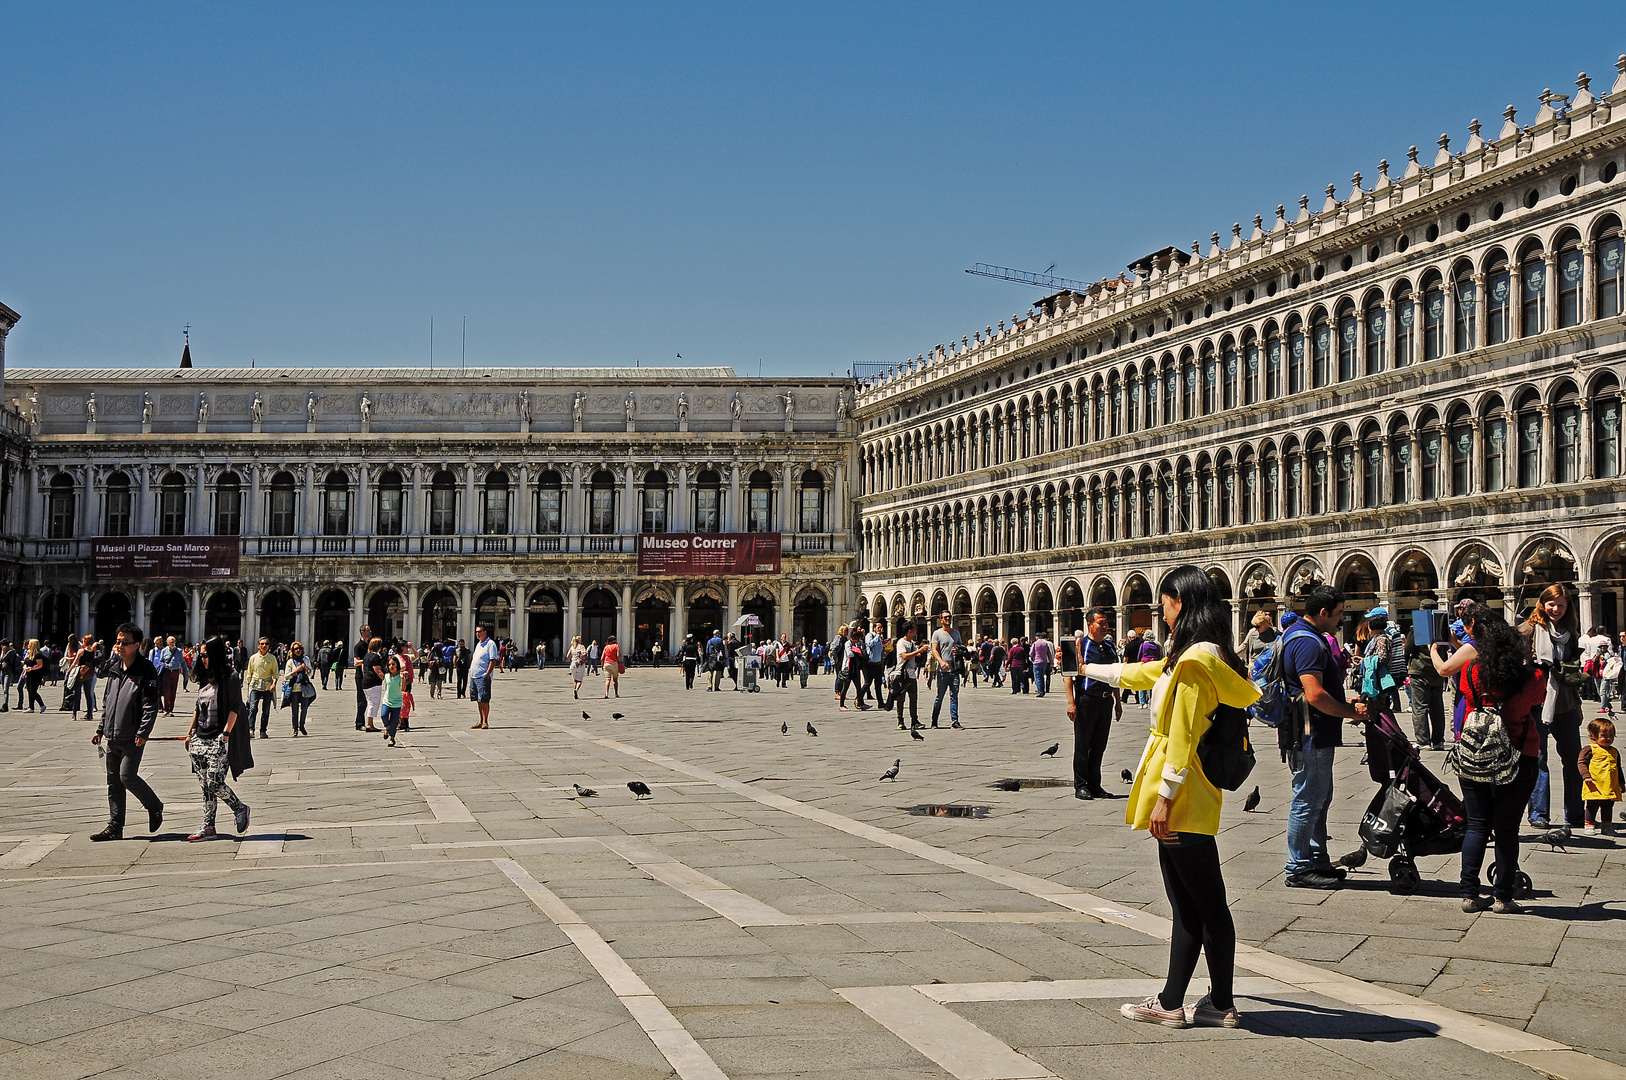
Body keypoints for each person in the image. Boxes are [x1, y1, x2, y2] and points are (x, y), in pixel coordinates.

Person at [1081, 564, 1259, 1029]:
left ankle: (1196, 1003)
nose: (1160, 611)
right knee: (1197, 904)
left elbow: (1181, 736)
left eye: (1164, 602)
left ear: (1181, 601)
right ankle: (1188, 1002)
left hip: (1181, 792)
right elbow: (1143, 674)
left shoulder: (1195, 665)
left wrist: (1164, 799)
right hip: (1192, 790)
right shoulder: (1197, 657)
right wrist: (1089, 668)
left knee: (1200, 906)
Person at [1452, 604, 1543, 913]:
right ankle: (1503, 896)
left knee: (1477, 825)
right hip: (1520, 753)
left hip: (1475, 754)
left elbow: (1466, 695)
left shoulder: (1470, 671)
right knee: (1506, 828)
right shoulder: (1530, 676)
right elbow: (1538, 698)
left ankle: (1468, 893)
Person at [1279, 585, 1368, 889]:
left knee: (1319, 798)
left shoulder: (1304, 636)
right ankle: (1298, 867)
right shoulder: (1308, 644)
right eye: (1340, 613)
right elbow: (1314, 694)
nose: (1342, 619)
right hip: (1309, 734)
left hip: (1310, 733)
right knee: (1307, 799)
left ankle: (1316, 859)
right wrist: (1350, 712)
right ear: (1323, 613)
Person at [90, 623, 165, 841]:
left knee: (127, 776)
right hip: (112, 735)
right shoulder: (114, 668)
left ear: (137, 645)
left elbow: (151, 705)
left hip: (133, 736)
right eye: (118, 641)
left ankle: (154, 805)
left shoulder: (145, 670)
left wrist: (143, 732)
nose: (120, 646)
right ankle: (115, 826)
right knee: (113, 782)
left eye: (125, 643)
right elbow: (108, 702)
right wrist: (100, 728)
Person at [1522, 583, 1584, 835]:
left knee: (1573, 758)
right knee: (1538, 759)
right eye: (1552, 604)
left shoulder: (1571, 632)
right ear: (1542, 603)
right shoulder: (1528, 630)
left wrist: (1578, 704)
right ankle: (1538, 813)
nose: (1556, 609)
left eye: (1561, 605)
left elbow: (1572, 672)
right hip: (1537, 704)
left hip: (1566, 703)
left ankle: (1576, 812)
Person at [183, 636, 250, 842]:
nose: (203, 659)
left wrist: (227, 733)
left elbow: (235, 706)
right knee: (205, 785)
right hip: (200, 737)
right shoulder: (205, 677)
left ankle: (240, 808)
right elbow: (198, 705)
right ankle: (208, 826)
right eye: (201, 655)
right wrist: (190, 731)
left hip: (220, 737)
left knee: (214, 781)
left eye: (206, 655)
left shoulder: (230, 676)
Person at [1065, 608, 1122, 800]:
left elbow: (1115, 676)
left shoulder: (1110, 647)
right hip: (1086, 700)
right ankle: (1080, 785)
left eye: (1106, 623)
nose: (1105, 626)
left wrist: (1118, 702)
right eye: (1101, 623)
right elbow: (1068, 676)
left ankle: (1095, 784)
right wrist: (1071, 703)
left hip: (1105, 700)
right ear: (1089, 624)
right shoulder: (1080, 645)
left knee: (1099, 745)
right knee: (1083, 744)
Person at [1407, 628, 1448, 751]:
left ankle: (1423, 740)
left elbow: (1408, 648)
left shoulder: (1417, 628)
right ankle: (1438, 740)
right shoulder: (1440, 625)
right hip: (1437, 670)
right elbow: (1445, 648)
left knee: (1420, 707)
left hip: (1420, 670)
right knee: (1437, 707)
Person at [1580, 716, 1621, 836]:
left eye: (1611, 736)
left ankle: (1607, 825)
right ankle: (1589, 824)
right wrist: (1586, 776)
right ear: (1593, 736)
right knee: (1592, 805)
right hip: (1594, 783)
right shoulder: (1590, 749)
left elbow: (1618, 768)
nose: (1608, 739)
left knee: (1608, 805)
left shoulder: (1614, 751)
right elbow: (1581, 763)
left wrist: (1621, 783)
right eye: (1604, 736)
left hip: (1610, 784)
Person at [929, 613, 964, 729]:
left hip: (954, 670)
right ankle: (934, 720)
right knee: (940, 696)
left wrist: (958, 650)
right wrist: (941, 661)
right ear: (941, 620)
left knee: (954, 696)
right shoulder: (937, 634)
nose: (948, 619)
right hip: (942, 671)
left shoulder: (956, 633)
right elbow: (934, 650)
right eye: (945, 617)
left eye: (949, 617)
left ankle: (955, 720)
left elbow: (961, 647)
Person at [893, 623, 927, 730]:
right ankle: (900, 720)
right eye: (914, 630)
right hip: (902, 674)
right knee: (901, 699)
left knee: (913, 699)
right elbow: (904, 656)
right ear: (909, 631)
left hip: (912, 675)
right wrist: (918, 651)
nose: (916, 632)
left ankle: (914, 720)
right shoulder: (901, 643)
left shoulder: (912, 643)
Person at [246, 637, 279, 738]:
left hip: (267, 686)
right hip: (255, 685)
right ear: (258, 645)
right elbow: (249, 674)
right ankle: (250, 729)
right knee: (253, 708)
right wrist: (248, 690)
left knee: (266, 710)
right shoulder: (253, 658)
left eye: (266, 644)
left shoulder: (272, 658)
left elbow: (275, 674)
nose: (264, 646)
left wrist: (274, 684)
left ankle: (263, 730)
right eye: (262, 644)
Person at [469, 624, 498, 726]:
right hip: (475, 676)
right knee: (478, 699)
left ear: (485, 632)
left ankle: (485, 721)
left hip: (483, 676)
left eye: (479, 631)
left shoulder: (490, 644)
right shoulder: (479, 644)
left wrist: (487, 674)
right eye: (476, 632)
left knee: (484, 699)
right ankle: (481, 721)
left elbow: (493, 660)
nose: (477, 634)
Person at [283, 641, 314, 736]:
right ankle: (295, 728)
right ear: (292, 650)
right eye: (296, 649)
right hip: (294, 688)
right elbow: (287, 676)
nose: (298, 650)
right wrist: (297, 670)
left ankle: (302, 725)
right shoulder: (290, 661)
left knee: (304, 708)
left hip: (304, 686)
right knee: (294, 709)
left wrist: (307, 669)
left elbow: (311, 673)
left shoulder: (306, 659)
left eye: (299, 649)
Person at [69, 635, 99, 722]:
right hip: (89, 673)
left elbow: (75, 662)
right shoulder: (93, 651)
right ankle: (90, 714)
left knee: (77, 694)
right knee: (88, 694)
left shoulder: (81, 651)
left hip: (81, 673)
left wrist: (69, 671)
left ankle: (74, 713)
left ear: (85, 642)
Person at [359, 637, 386, 732]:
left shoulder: (366, 656)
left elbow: (363, 669)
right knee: (374, 703)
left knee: (370, 702)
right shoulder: (376, 657)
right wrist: (386, 679)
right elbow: (378, 670)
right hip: (373, 683)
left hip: (365, 681)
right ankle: (370, 725)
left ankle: (370, 723)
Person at [156, 636, 184, 716]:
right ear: (168, 643)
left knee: (173, 691)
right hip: (167, 672)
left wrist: (186, 674)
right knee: (167, 691)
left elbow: (183, 662)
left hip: (175, 672)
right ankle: (166, 709)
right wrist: (164, 665)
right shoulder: (164, 651)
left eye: (174, 641)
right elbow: (160, 661)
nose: (173, 643)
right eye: (171, 641)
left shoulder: (179, 651)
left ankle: (171, 709)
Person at [381, 655, 404, 747]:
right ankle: (387, 727)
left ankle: (392, 739)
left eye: (393, 664)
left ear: (397, 665)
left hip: (397, 702)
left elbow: (403, 688)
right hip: (387, 701)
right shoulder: (386, 676)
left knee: (394, 721)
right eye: (389, 664)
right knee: (383, 715)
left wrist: (403, 679)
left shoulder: (400, 676)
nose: (391, 666)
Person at [865, 622, 889, 709]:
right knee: (868, 683)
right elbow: (870, 644)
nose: (880, 629)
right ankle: (859, 699)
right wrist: (877, 636)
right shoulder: (870, 635)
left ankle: (881, 702)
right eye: (879, 627)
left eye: (881, 627)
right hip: (871, 663)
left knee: (878, 684)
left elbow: (879, 649)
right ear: (874, 628)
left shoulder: (879, 637)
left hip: (878, 663)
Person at [22, 639, 46, 713]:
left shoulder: (38, 654)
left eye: (29, 644)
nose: (28, 645)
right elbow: (26, 662)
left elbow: (40, 665)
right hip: (29, 674)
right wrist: (25, 670)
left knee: (33, 691)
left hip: (36, 675)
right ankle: (31, 707)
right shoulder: (29, 653)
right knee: (29, 690)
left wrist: (31, 668)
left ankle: (42, 705)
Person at [1030, 631, 1053, 699]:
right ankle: (1043, 690)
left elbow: (1031, 653)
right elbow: (1049, 654)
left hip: (1037, 662)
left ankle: (1040, 692)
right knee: (1042, 676)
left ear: (1037, 637)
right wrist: (1051, 662)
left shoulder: (1035, 644)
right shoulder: (1045, 644)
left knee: (1037, 677)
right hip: (1044, 662)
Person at [0, 640, 18, 711]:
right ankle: (4, 704)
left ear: (6, 645)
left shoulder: (10, 652)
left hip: (8, 672)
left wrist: (2, 652)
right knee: (3, 688)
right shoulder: (6, 651)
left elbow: (2, 659)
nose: (1, 647)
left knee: (5, 689)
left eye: (2, 645)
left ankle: (5, 705)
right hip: (3, 671)